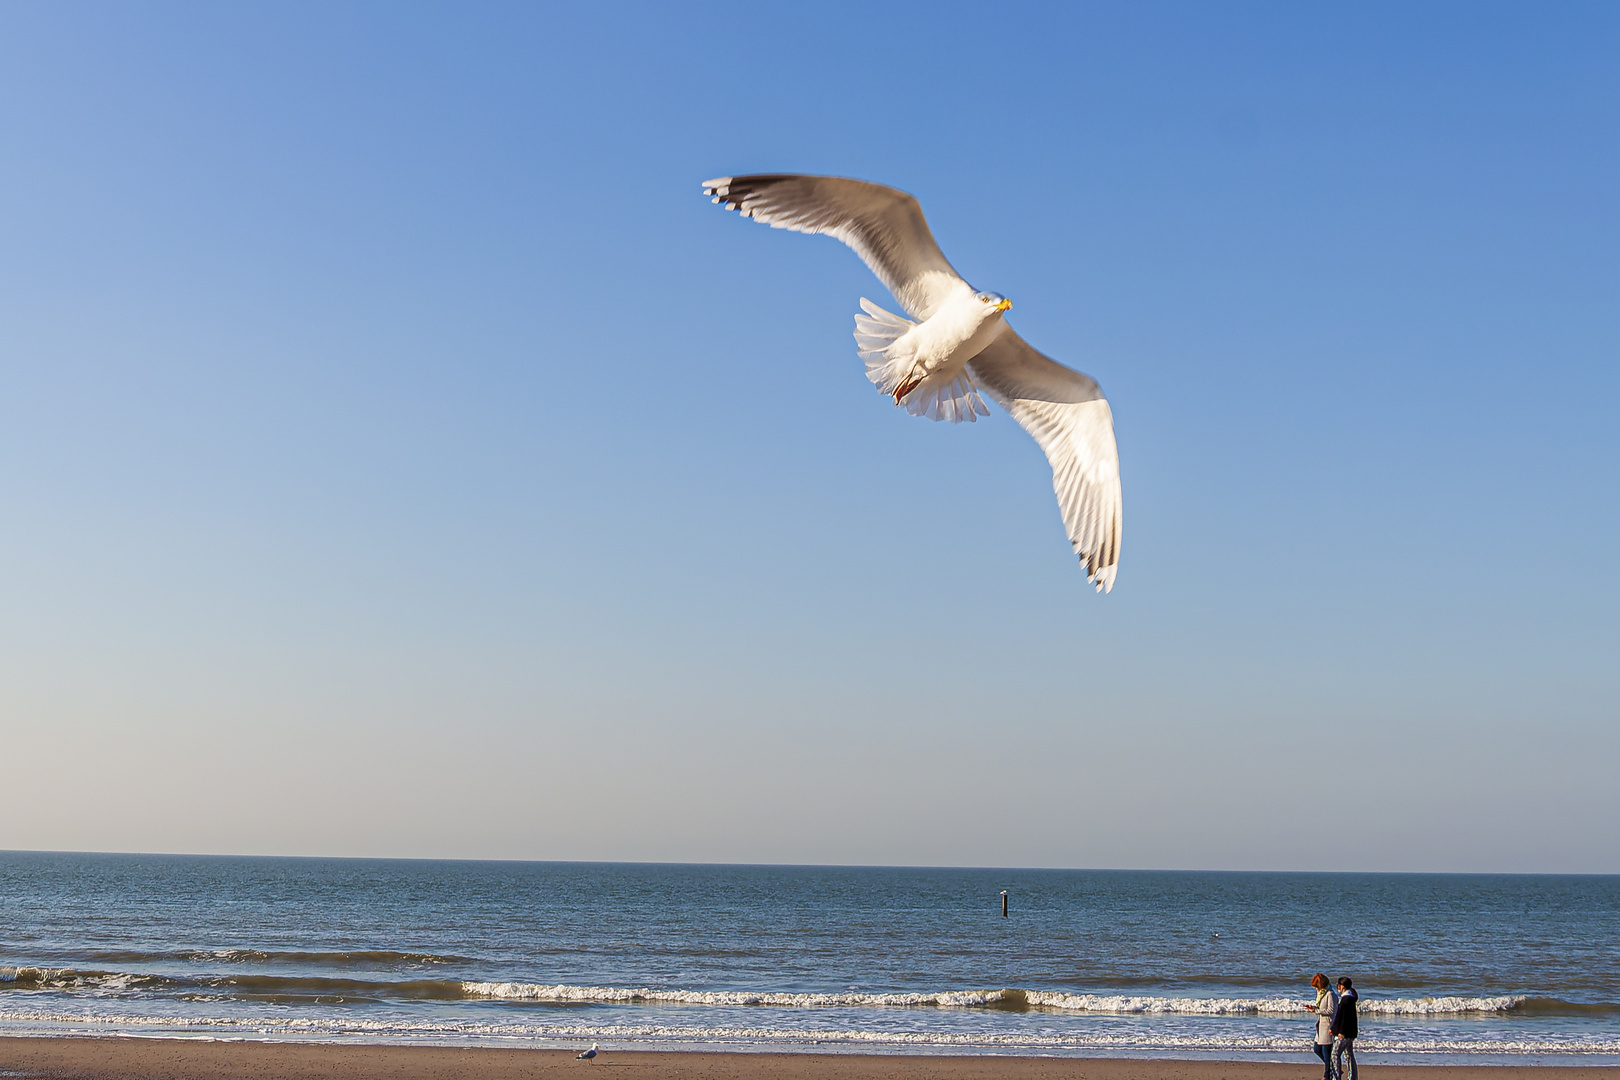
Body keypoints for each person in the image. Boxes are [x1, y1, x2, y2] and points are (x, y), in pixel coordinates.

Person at [1304, 973, 1338, 1079]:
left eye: (1317, 986)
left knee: (1326, 1051)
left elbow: (1331, 1011)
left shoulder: (1330, 994)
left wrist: (1317, 1011)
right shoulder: (1322, 994)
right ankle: (1333, 1068)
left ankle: (1327, 1074)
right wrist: (1314, 1007)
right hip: (1321, 1025)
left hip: (1328, 1025)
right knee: (1317, 1048)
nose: (1316, 988)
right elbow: (1322, 1008)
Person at [1330, 976, 1359, 1080]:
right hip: (1350, 1032)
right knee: (1349, 1055)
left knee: (1335, 1054)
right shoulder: (1348, 998)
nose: (1337, 986)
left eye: (1338, 984)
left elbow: (1343, 1018)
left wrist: (1340, 1032)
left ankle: (1336, 1077)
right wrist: (1334, 1029)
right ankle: (1352, 1077)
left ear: (1342, 986)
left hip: (1346, 1033)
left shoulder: (1347, 999)